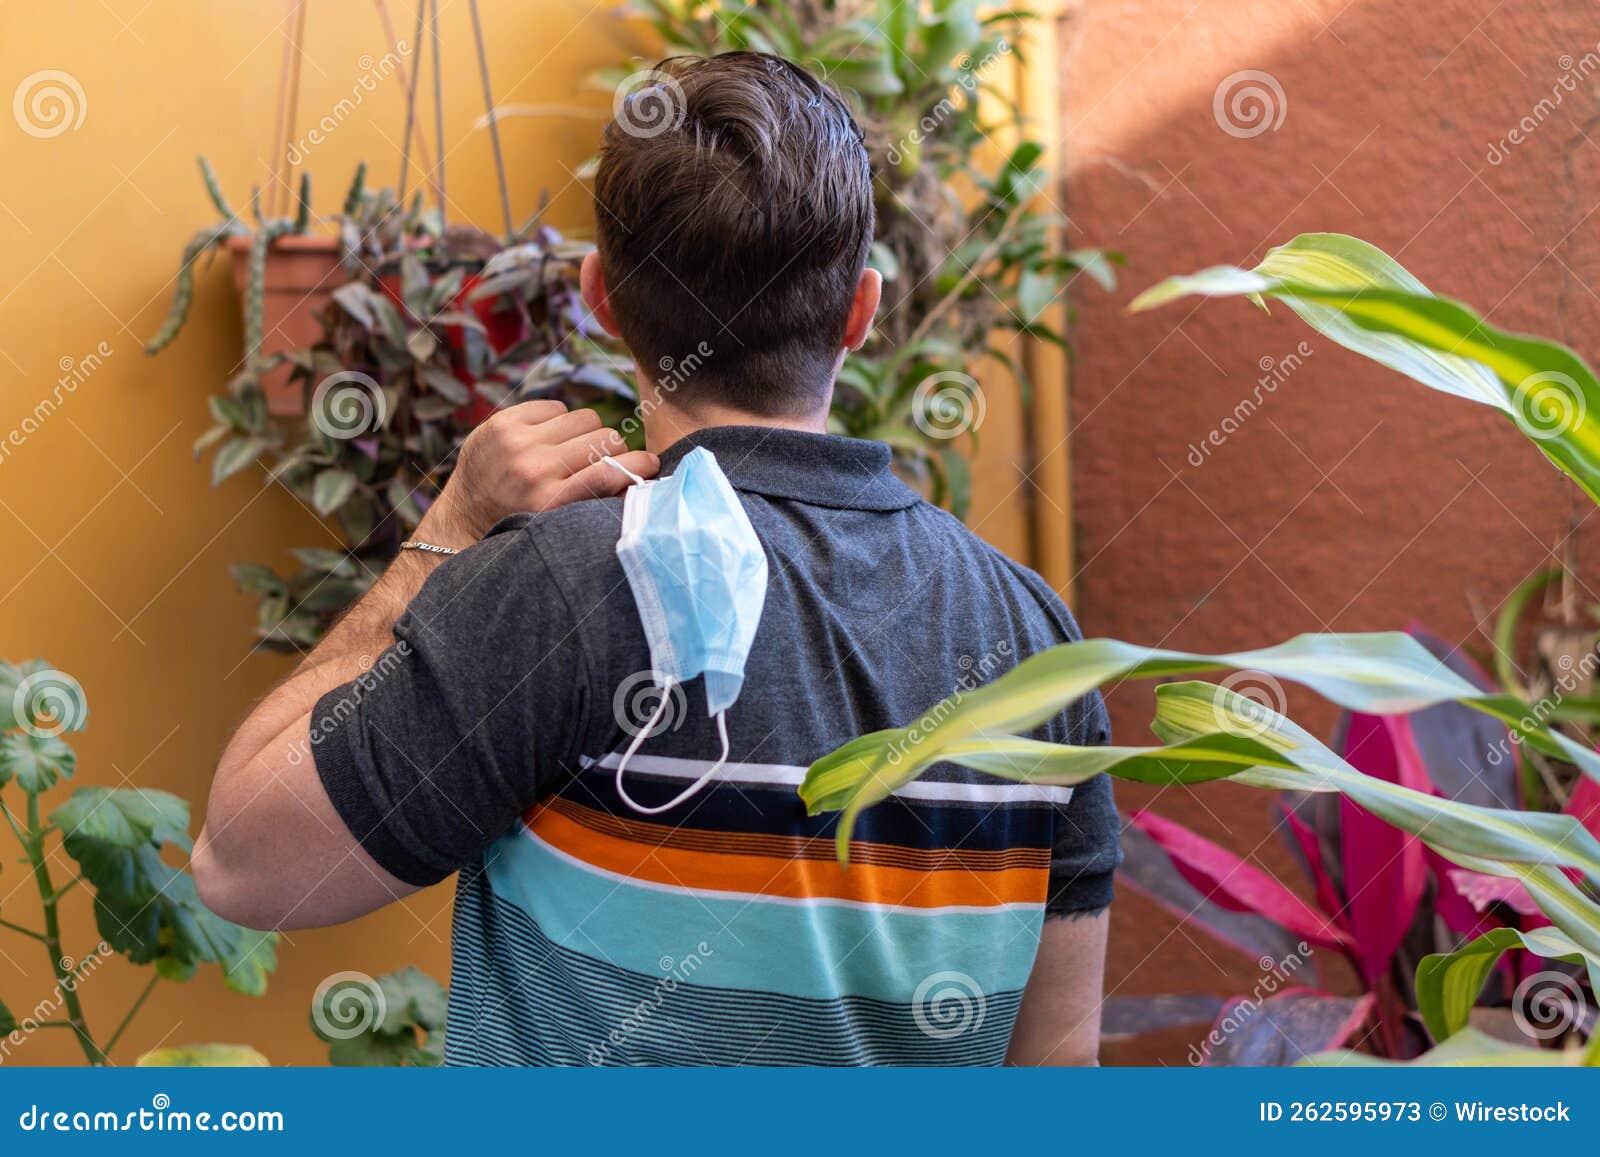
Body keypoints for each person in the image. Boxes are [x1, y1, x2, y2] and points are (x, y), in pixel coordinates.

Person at [194, 50, 1119, 1066]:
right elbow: (1054, 1074)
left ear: (601, 299)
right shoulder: (1033, 639)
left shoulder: (556, 587)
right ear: (860, 308)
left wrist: (442, 537)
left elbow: (242, 863)